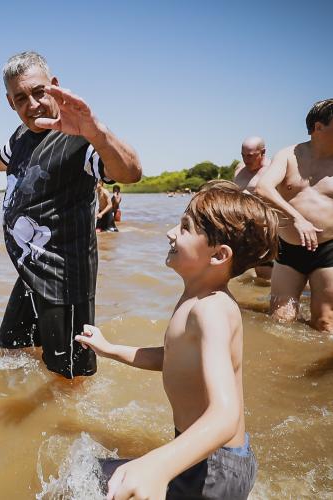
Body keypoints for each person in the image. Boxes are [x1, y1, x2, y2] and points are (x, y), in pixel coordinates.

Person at [0, 51, 141, 378]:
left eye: (38, 92)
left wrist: (98, 133)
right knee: (11, 345)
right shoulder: (21, 136)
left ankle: (71, 425)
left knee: (70, 376)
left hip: (64, 280)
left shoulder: (78, 138)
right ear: (10, 103)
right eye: (21, 98)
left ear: (55, 86)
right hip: (29, 271)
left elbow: (131, 172)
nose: (32, 104)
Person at [77, 181, 277, 499]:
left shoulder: (211, 310)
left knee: (97, 483)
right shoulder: (195, 298)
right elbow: (171, 357)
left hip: (216, 468)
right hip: (205, 453)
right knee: (84, 475)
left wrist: (157, 465)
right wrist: (110, 349)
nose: (170, 232)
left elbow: (226, 416)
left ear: (218, 255)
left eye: (184, 228)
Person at [256, 98, 333, 332]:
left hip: (328, 250)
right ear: (318, 127)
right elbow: (263, 188)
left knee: (325, 323)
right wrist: (297, 218)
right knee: (280, 321)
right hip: (289, 248)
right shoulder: (289, 155)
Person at [233, 136, 273, 280]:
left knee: (264, 275)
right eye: (243, 155)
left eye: (250, 156)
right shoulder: (239, 168)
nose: (246, 160)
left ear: (263, 152)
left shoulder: (273, 169)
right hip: (241, 230)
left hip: (264, 230)